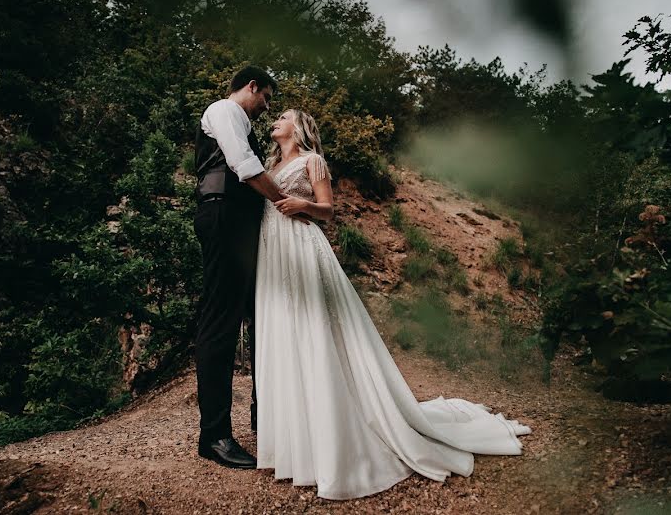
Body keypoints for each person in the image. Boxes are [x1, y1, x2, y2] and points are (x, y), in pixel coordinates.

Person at [254, 108, 532, 500]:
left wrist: (303, 207)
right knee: (286, 330)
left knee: (314, 328)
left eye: (284, 116)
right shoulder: (270, 163)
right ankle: (295, 440)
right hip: (274, 251)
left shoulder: (312, 160)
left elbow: (328, 211)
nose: (276, 119)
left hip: (301, 246)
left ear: (298, 128)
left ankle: (338, 438)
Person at [192, 65, 307, 469]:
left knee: (260, 317)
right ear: (252, 87)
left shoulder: (244, 124)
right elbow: (242, 165)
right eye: (268, 98)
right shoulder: (223, 110)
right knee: (220, 321)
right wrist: (284, 202)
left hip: (241, 227)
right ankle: (215, 436)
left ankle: (265, 416)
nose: (268, 107)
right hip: (222, 218)